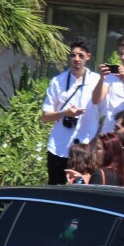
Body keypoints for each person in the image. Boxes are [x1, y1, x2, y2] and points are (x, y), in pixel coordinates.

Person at [40, 39, 100, 185]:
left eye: (81, 55)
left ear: (88, 57)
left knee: (82, 194)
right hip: (58, 147)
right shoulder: (58, 81)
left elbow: (105, 114)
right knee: (54, 192)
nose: (76, 59)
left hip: (84, 148)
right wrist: (64, 113)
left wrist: (95, 142)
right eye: (73, 55)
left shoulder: (97, 80)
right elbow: (45, 117)